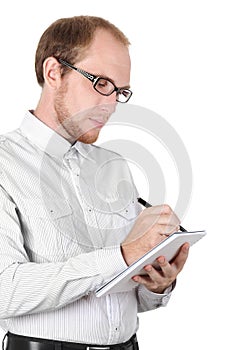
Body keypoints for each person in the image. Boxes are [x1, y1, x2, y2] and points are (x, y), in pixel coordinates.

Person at [0, 16, 189, 350]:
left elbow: (126, 294)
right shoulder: (5, 165)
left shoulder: (114, 167)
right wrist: (123, 253)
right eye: (101, 83)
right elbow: (5, 292)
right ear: (53, 72)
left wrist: (155, 283)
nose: (111, 104)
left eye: (120, 91)